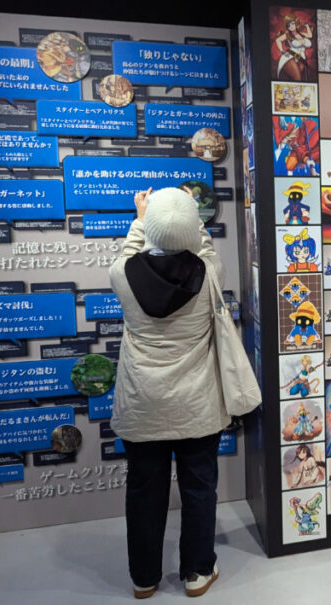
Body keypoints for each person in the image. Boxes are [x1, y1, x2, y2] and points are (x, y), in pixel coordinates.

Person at [110, 187, 229, 599]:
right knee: (199, 489)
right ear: (193, 232)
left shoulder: (121, 274)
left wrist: (142, 216)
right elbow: (202, 242)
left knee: (145, 490)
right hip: (197, 406)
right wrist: (186, 211)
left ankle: (144, 579)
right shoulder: (211, 273)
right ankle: (197, 574)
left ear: (149, 230)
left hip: (142, 405)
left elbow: (132, 248)